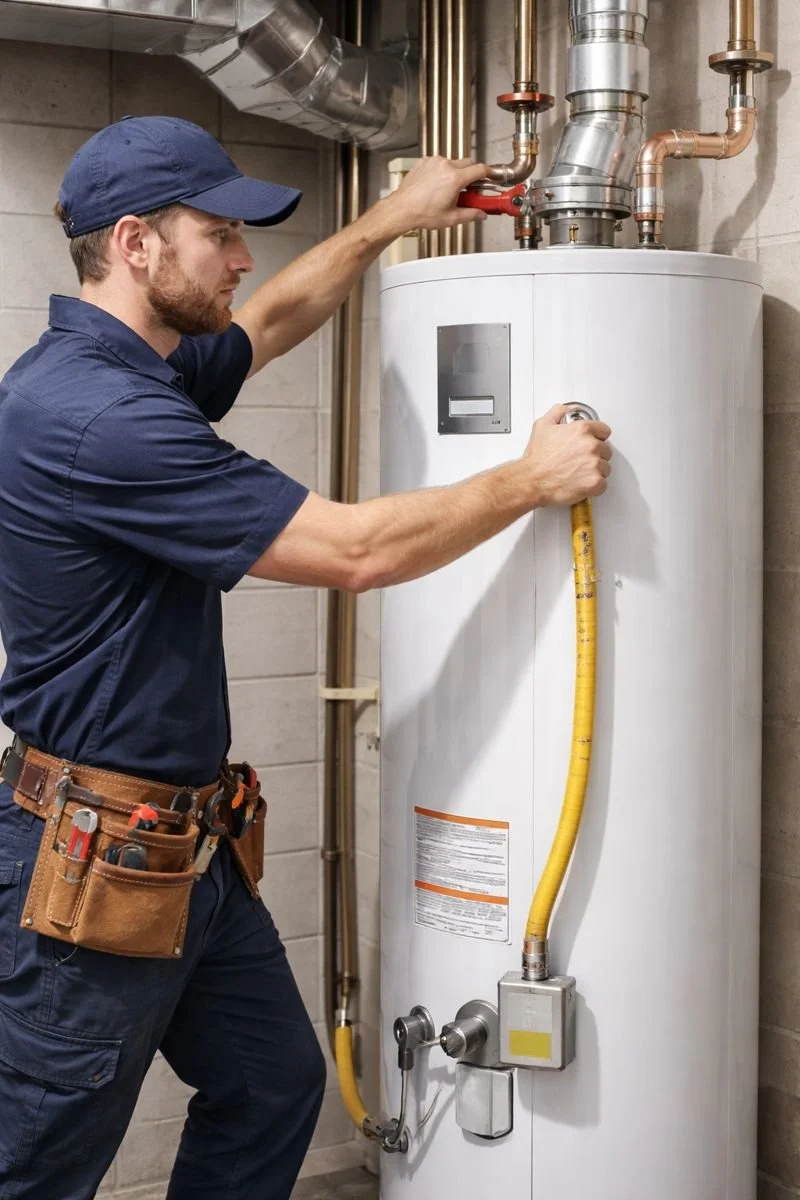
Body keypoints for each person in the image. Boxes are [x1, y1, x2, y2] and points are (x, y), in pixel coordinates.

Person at [0, 116, 612, 1200]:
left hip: (183, 845)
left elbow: (270, 323)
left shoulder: (126, 366)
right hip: (97, 860)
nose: (244, 258)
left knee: (273, 1082)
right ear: (135, 243)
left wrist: (388, 218)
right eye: (219, 234)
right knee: (38, 1158)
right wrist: (529, 479)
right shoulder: (98, 414)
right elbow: (357, 552)